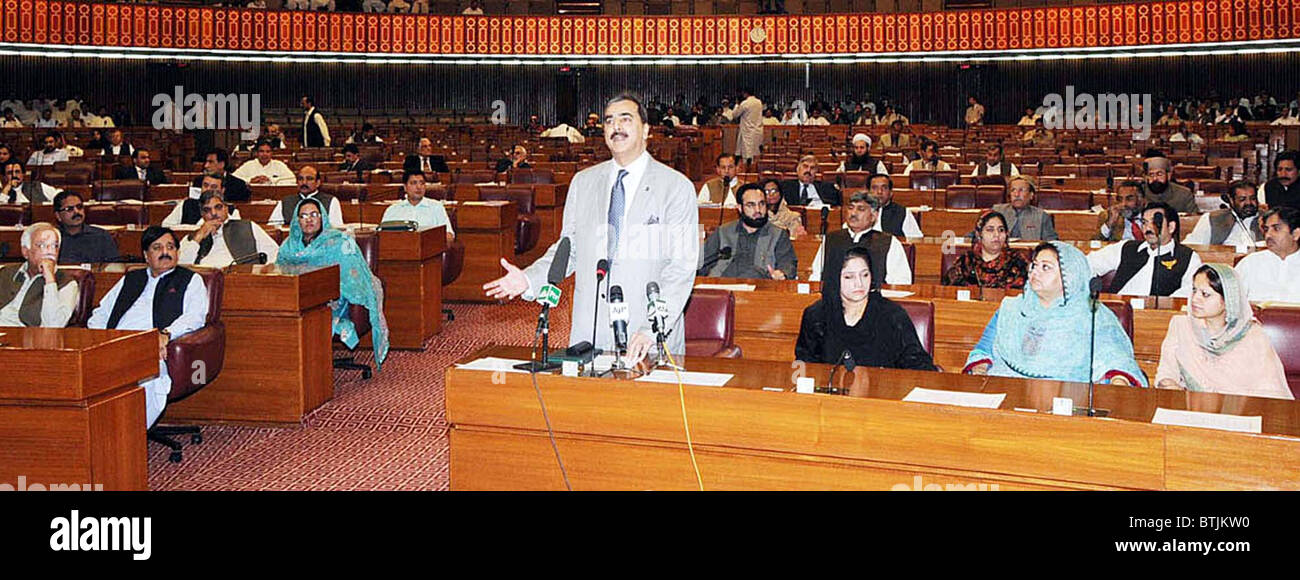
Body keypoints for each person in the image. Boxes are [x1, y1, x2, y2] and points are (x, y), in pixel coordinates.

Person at [483, 93, 699, 364]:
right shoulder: (583, 183)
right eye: (609, 121)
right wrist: (529, 279)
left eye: (625, 119)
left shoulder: (676, 188)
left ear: (645, 130)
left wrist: (650, 327)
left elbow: (681, 268)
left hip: (647, 334)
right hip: (591, 329)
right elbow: (568, 249)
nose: (616, 126)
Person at [965, 241, 1147, 386]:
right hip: (1006, 390)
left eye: (1046, 267)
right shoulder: (1011, 310)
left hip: (1069, 400)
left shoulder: (1094, 316)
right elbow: (983, 350)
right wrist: (980, 368)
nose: (1035, 272)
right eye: (1034, 265)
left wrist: (1118, 380)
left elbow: (1117, 363)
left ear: (1070, 276)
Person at [88, 226, 210, 427]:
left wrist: (165, 334)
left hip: (151, 344)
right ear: (146, 255)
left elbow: (195, 317)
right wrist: (99, 339)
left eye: (170, 247)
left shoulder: (189, 280)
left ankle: (129, 433)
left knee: (148, 371)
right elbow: (101, 312)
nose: (165, 252)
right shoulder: (131, 278)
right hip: (117, 341)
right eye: (157, 247)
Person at [278, 198, 390, 368]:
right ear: (296, 220)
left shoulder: (339, 242)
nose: (309, 219)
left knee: (311, 317)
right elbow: (280, 274)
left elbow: (353, 278)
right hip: (298, 297)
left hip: (336, 298)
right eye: (303, 216)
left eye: (314, 214)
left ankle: (309, 367)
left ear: (322, 217)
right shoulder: (288, 247)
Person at [1154, 264, 1293, 399]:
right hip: (1191, 410)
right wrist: (1168, 384)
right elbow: (1166, 371)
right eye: (1194, 290)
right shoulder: (1181, 326)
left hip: (1239, 414)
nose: (1195, 299)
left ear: (1228, 300)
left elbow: (1271, 392)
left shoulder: (1253, 336)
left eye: (1205, 294)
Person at [795, 248, 936, 370]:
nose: (859, 283)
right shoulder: (816, 316)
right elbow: (805, 365)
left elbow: (917, 365)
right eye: (849, 277)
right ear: (834, 279)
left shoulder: (891, 315)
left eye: (865, 275)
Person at [1089, 202, 1202, 297]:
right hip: (1117, 313)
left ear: (1171, 227)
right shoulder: (1126, 247)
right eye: (1144, 223)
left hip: (1158, 317)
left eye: (1155, 222)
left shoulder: (1188, 257)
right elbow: (1088, 263)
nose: (1147, 228)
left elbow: (1189, 292)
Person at [809, 191, 912, 287]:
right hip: (833, 301)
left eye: (861, 209)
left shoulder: (888, 243)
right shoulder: (831, 239)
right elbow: (816, 275)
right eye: (850, 208)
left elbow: (900, 282)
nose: (853, 213)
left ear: (873, 216)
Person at [697, 184, 796, 280]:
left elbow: (788, 263)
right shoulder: (723, 232)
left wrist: (782, 273)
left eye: (762, 204)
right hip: (722, 287)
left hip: (758, 289)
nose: (758, 210)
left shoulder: (778, 235)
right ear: (740, 208)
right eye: (751, 205)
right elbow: (701, 263)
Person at [177, 183, 278, 267]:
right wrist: (198, 237)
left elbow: (274, 255)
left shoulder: (247, 227)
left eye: (218, 207)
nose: (213, 213)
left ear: (226, 208)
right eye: (207, 210)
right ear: (202, 214)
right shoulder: (192, 237)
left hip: (241, 281)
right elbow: (181, 265)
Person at [0, 222, 79, 327]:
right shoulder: (6, 273)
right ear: (25, 251)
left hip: (25, 338)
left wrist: (50, 280)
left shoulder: (67, 283)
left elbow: (53, 325)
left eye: (55, 246)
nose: (50, 251)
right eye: (42, 245)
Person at [941, 210, 1028, 289]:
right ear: (979, 234)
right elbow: (948, 291)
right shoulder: (966, 262)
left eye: (1001, 230)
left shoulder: (1018, 262)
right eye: (990, 230)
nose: (996, 235)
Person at [1234, 206, 1300, 302]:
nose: (1268, 235)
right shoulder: (1251, 263)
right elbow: (1232, 301)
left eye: (1276, 229)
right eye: (1266, 229)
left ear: (1295, 234)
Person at [380, 170, 456, 242]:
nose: (419, 187)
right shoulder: (393, 210)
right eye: (414, 183)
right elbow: (382, 236)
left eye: (422, 183)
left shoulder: (436, 207)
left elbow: (449, 236)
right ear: (405, 187)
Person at [1184, 180, 1262, 247]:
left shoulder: (1267, 219)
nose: (1249, 203)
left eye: (1253, 198)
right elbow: (1192, 245)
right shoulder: (1212, 218)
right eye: (1242, 199)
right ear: (1231, 200)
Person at [267, 166, 345, 229]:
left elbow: (336, 229)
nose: (304, 183)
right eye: (301, 179)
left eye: (309, 179)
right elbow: (273, 226)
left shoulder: (331, 201)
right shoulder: (286, 201)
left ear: (318, 183)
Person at [52, 191, 119, 263]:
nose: (76, 212)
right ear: (58, 216)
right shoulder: (52, 238)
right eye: (69, 209)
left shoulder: (101, 236)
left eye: (79, 207)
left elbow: (114, 266)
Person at [163, 171, 246, 228]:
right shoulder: (186, 204)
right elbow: (166, 225)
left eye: (213, 187)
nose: (208, 189)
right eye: (205, 185)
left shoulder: (231, 210)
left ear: (222, 190)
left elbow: (235, 232)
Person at [991, 176, 1058, 241]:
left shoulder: (1041, 216)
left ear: (1031, 195)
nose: (1016, 194)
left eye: (1021, 190)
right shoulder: (997, 211)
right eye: (1013, 190)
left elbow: (1052, 243)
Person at [865, 173, 922, 238]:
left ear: (891, 193)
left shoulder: (902, 212)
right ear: (868, 192)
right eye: (875, 188)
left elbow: (916, 239)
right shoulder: (859, 212)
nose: (879, 192)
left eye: (884, 188)